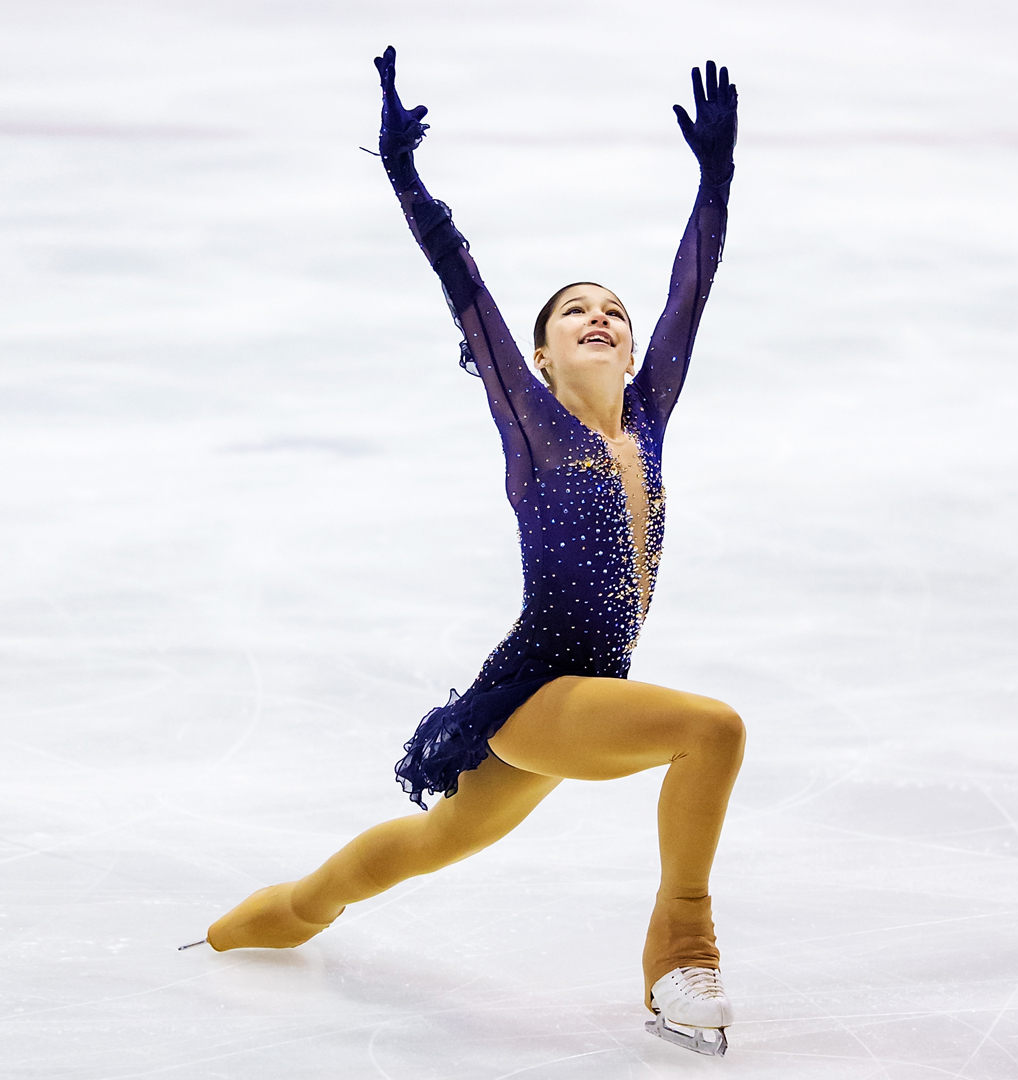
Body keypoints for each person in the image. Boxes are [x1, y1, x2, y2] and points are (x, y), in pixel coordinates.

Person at [196, 46, 742, 1056]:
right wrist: (404, 175)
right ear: (538, 355)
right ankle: (679, 952)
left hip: (583, 688)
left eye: (613, 313)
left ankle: (270, 918)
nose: (601, 317)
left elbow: (692, 288)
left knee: (427, 843)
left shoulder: (649, 417)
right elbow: (464, 284)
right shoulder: (534, 426)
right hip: (540, 685)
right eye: (574, 309)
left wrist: (713, 182)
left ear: (631, 351)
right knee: (710, 731)